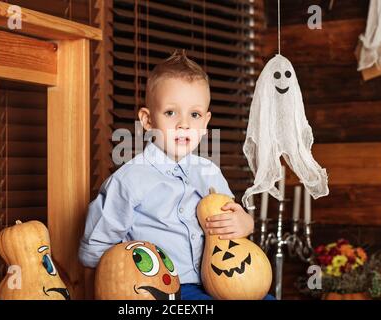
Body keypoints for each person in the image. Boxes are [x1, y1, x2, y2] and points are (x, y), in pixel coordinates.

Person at [79, 49, 272, 300]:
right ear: (148, 120)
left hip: (223, 282)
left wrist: (245, 223)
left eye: (194, 114)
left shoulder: (210, 173)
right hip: (167, 288)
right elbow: (94, 250)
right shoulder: (129, 180)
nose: (184, 124)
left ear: (205, 123)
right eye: (171, 113)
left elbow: (229, 224)